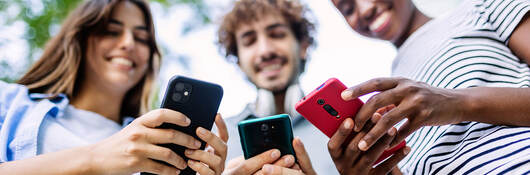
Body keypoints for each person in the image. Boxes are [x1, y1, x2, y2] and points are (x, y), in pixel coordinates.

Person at [0, 0, 227, 174]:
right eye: (111, 31)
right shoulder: (9, 102)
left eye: (140, 38)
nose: (128, 43)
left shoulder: (157, 140)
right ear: (80, 39)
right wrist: (96, 158)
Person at [330, 0, 530, 174]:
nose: (365, 9)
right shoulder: (386, 107)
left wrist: (458, 104)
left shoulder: (481, 8)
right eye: (348, 9)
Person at [216, 0, 333, 174]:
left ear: (303, 45)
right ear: (239, 61)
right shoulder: (215, 141)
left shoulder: (340, 131)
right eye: (249, 41)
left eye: (277, 34)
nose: (265, 51)